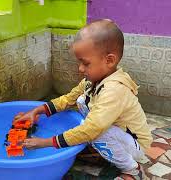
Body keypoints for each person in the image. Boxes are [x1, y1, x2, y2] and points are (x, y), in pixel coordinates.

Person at [14, 19, 152, 180]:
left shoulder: (115, 89)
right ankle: (97, 149)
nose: (80, 69)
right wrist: (36, 111)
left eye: (85, 63)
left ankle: (133, 170)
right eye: (79, 62)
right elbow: (68, 99)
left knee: (95, 131)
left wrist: (44, 142)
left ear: (109, 60)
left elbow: (93, 129)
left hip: (135, 145)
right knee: (80, 101)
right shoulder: (92, 81)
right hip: (115, 133)